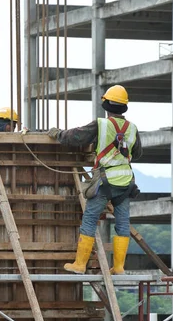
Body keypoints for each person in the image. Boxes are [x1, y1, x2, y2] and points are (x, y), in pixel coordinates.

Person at [48, 85, 142, 275]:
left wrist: (57, 134)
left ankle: (80, 264)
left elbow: (76, 136)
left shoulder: (102, 124)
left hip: (105, 182)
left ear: (106, 105)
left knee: (90, 219)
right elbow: (137, 153)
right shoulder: (132, 129)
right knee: (122, 223)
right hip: (126, 182)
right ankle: (119, 267)